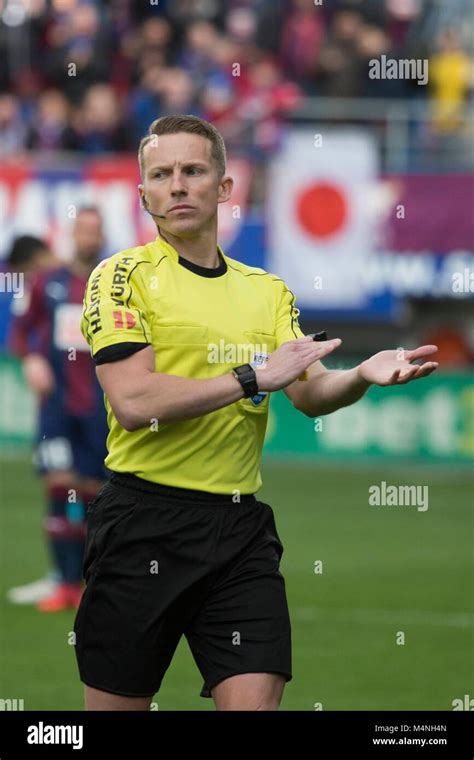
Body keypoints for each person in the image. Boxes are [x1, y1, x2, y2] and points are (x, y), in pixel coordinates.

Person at [74, 115, 438, 711]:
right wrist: (250, 378)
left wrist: (361, 377)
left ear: (224, 186)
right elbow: (134, 402)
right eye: (161, 175)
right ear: (143, 195)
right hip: (142, 524)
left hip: (238, 531)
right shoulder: (120, 277)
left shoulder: (266, 290)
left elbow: (309, 392)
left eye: (193, 171)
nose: (177, 185)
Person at [9, 209, 109, 612]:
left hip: (100, 408)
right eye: (82, 229)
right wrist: (31, 359)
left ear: (102, 235)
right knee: (59, 487)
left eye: (95, 230)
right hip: (57, 407)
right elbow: (20, 329)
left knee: (95, 495)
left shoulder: (115, 284)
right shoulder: (48, 283)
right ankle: (65, 583)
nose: (88, 237)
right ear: (72, 233)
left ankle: (89, 583)